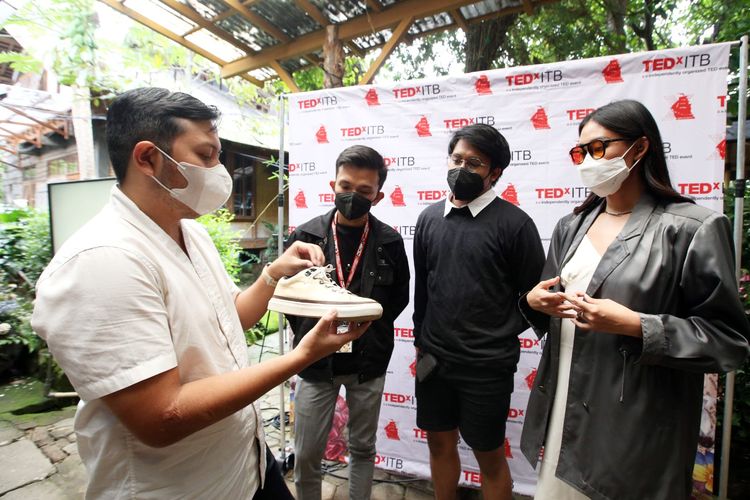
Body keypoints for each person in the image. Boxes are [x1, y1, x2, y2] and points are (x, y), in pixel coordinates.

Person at [30, 88, 369, 499]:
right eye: (206, 155)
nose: (220, 169)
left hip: (250, 467)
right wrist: (301, 357)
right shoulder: (103, 262)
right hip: (184, 488)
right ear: (148, 158)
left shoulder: (190, 231)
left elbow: (229, 318)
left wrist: (272, 276)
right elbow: (162, 416)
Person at [521, 99, 750, 500]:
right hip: (563, 414)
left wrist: (635, 325)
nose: (587, 161)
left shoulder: (691, 229)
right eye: (580, 152)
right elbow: (552, 303)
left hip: (634, 428)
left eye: (598, 149)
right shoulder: (570, 226)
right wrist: (536, 303)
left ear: (639, 148)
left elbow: (727, 341)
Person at [413, 124, 545, 500]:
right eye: (457, 159)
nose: (462, 168)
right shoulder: (428, 219)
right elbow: (423, 288)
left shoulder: (516, 225)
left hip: (487, 367)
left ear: (495, 172)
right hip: (435, 362)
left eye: (474, 163)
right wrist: (423, 341)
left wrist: (498, 331)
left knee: (489, 456)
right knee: (439, 444)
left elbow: (535, 298)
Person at [285, 145, 410, 500]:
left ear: (378, 196)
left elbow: (398, 298)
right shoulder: (305, 237)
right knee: (307, 453)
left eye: (364, 191)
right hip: (313, 362)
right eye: (345, 186)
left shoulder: (389, 242)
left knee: (362, 447)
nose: (352, 196)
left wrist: (367, 332)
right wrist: (313, 337)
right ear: (332, 185)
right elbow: (290, 300)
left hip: (367, 362)